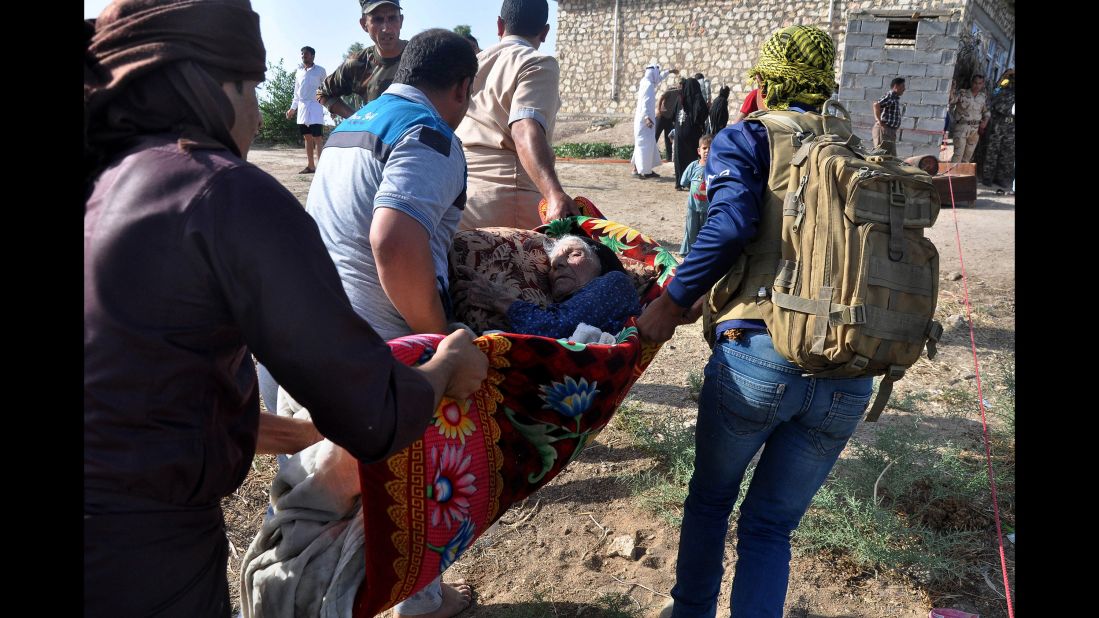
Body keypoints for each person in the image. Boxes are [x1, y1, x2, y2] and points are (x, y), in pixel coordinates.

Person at [83, 2, 487, 616]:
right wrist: (445, 362)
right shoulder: (223, 190)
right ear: (215, 85)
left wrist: (303, 433)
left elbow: (150, 392)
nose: (253, 114)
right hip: (140, 553)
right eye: (250, 87)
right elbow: (374, 415)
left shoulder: (106, 180)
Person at [638, 25, 875, 618]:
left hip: (760, 357)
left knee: (712, 501)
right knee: (770, 527)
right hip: (849, 368)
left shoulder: (749, 138)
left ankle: (691, 611)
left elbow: (728, 225)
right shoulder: (856, 151)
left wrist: (670, 304)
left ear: (767, 81)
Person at [303, 28, 481, 618]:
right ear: (462, 87)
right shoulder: (431, 135)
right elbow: (394, 239)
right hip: (385, 344)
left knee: (328, 502)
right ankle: (419, 601)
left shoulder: (352, 126)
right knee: (406, 485)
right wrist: (440, 344)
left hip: (320, 328)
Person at [457, 0, 579, 229]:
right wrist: (553, 193)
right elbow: (524, 128)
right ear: (545, 32)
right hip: (509, 198)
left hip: (462, 196)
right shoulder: (537, 63)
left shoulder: (475, 63)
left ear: (499, 26)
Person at [453, 234, 641, 338]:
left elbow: (554, 329)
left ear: (601, 262)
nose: (558, 265)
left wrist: (498, 299)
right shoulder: (564, 306)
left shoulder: (616, 282)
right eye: (552, 265)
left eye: (573, 254)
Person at [315, 0, 407, 120]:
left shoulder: (424, 57)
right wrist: (358, 120)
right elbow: (322, 93)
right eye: (377, 19)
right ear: (364, 24)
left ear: (401, 21)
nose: (386, 29)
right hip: (378, 138)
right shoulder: (357, 64)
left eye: (392, 18)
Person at [631, 60, 679, 179]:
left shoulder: (645, 81)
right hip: (645, 120)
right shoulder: (647, 85)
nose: (658, 76)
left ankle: (640, 168)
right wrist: (647, 117)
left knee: (645, 144)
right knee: (644, 145)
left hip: (642, 119)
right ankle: (644, 171)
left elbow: (659, 77)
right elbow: (645, 102)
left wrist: (670, 71)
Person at [286, 45, 327, 173]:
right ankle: (310, 166)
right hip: (302, 109)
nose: (304, 56)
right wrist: (293, 109)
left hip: (316, 107)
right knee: (307, 138)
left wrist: (330, 107)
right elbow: (296, 93)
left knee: (318, 138)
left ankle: (320, 168)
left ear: (313, 56)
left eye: (306, 54)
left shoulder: (320, 71)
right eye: (302, 54)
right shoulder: (298, 72)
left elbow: (326, 89)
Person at [978, 69, 1014, 190]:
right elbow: (995, 105)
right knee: (992, 151)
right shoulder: (1001, 91)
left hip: (1011, 127)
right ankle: (987, 178)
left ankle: (1001, 178)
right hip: (998, 124)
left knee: (1007, 153)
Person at [672, 77, 709, 191]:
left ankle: (679, 182)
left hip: (679, 132)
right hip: (692, 131)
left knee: (679, 157)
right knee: (692, 156)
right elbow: (702, 115)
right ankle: (689, 181)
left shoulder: (680, 98)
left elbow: (673, 115)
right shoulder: (697, 98)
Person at [678, 134, 712, 256]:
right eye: (704, 148)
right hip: (693, 207)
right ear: (699, 150)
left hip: (709, 209)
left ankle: (704, 254)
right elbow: (684, 182)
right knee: (691, 231)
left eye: (711, 148)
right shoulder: (693, 166)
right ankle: (688, 253)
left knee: (706, 232)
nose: (707, 151)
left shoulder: (716, 167)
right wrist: (695, 190)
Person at [948, 73, 990, 163]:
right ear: (971, 82)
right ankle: (951, 176)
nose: (977, 85)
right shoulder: (962, 93)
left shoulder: (983, 97)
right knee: (958, 155)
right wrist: (952, 89)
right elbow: (951, 100)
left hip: (975, 130)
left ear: (982, 84)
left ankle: (961, 176)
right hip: (962, 127)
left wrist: (985, 122)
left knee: (968, 157)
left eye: (980, 83)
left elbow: (986, 112)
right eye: (975, 83)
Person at [872, 77, 905, 156]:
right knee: (881, 154)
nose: (904, 89)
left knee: (892, 157)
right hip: (884, 130)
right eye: (902, 86)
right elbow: (876, 105)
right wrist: (878, 120)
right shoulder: (890, 96)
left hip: (890, 131)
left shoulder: (895, 98)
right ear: (896, 86)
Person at [655, 80, 682, 161]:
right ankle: (649, 155)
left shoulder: (681, 94)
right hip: (662, 116)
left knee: (669, 138)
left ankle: (669, 157)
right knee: (655, 136)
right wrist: (659, 109)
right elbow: (661, 97)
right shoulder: (671, 90)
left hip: (670, 119)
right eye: (680, 84)